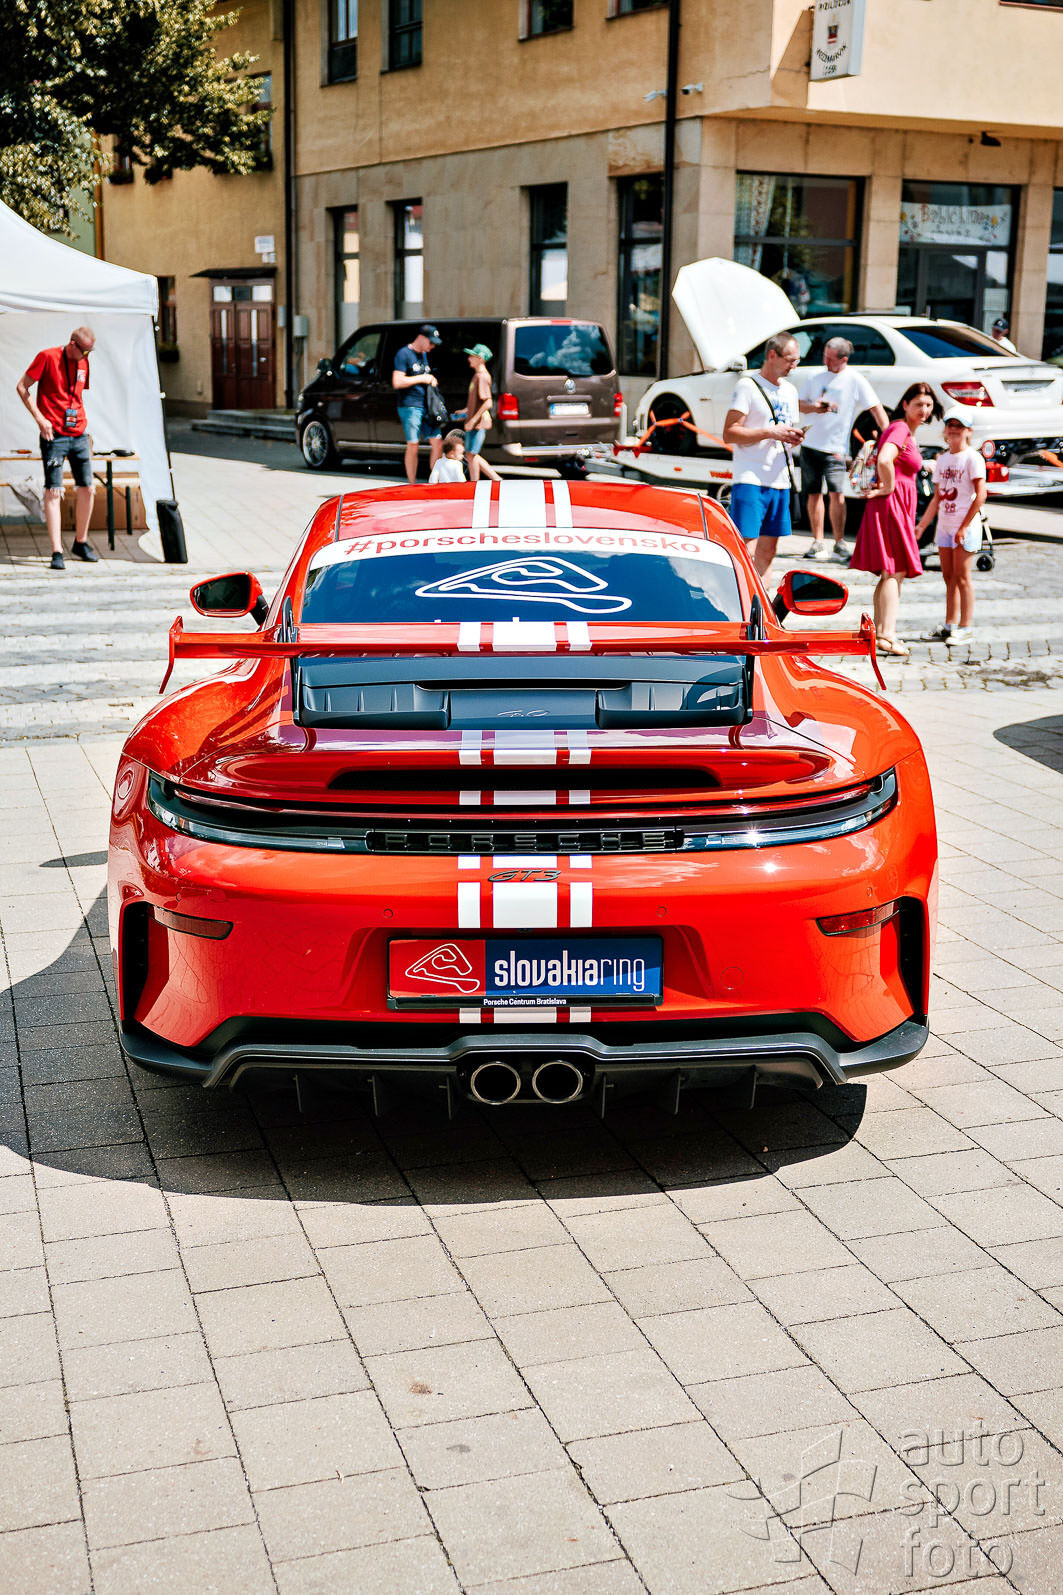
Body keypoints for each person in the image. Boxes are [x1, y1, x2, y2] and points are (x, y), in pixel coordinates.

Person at [849, 382, 941, 659]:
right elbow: (885, 459)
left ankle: (881, 634)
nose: (924, 410)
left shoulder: (902, 430)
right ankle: (887, 635)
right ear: (905, 404)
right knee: (895, 571)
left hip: (893, 503)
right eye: (919, 404)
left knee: (890, 571)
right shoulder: (900, 428)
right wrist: (888, 486)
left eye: (928, 405)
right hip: (892, 503)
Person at [16, 326, 101, 571]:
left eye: (90, 352)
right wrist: (40, 419)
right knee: (53, 491)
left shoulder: (84, 362)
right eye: (84, 351)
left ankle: (81, 543)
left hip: (79, 433)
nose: (86, 356)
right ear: (72, 344)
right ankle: (56, 551)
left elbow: (75, 396)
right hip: (54, 435)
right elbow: (22, 387)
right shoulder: (47, 356)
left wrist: (84, 428)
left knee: (87, 488)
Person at [799, 337, 888, 565]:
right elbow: (799, 404)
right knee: (813, 493)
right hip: (810, 444)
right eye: (825, 356)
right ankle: (817, 541)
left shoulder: (855, 380)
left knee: (837, 494)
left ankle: (839, 541)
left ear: (844, 359)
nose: (826, 362)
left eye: (830, 359)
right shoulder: (815, 377)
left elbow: (875, 408)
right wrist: (814, 408)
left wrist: (889, 435)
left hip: (835, 447)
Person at [722, 334, 803, 582]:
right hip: (751, 477)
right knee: (746, 550)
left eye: (797, 360)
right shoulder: (747, 386)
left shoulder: (790, 390)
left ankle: (762, 601)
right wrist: (769, 432)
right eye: (790, 360)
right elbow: (730, 433)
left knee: (768, 552)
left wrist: (794, 436)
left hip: (780, 478)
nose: (794, 366)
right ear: (772, 355)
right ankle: (742, 600)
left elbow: (787, 428)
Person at [915, 410, 987, 645]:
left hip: (965, 526)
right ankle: (950, 624)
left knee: (963, 577)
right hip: (945, 525)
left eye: (959, 425)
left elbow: (981, 495)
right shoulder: (944, 458)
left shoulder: (972, 458)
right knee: (948, 577)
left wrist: (964, 526)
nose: (954, 429)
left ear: (969, 431)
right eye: (950, 425)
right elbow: (937, 497)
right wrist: (922, 525)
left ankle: (965, 627)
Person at [392, 323, 444, 484]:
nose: (432, 346)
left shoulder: (424, 355)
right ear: (421, 338)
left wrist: (431, 380)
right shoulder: (404, 354)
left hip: (426, 406)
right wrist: (422, 378)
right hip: (410, 405)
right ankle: (412, 483)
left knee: (437, 441)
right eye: (431, 342)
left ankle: (434, 482)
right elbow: (397, 381)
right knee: (413, 444)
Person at [458, 344, 501, 483]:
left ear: (481, 359)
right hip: (474, 422)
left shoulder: (482, 377)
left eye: (472, 356)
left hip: (478, 423)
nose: (469, 359)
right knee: (470, 455)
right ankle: (480, 482)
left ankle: (490, 480)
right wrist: (465, 411)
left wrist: (472, 420)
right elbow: (477, 401)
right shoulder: (477, 376)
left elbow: (488, 402)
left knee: (472, 455)